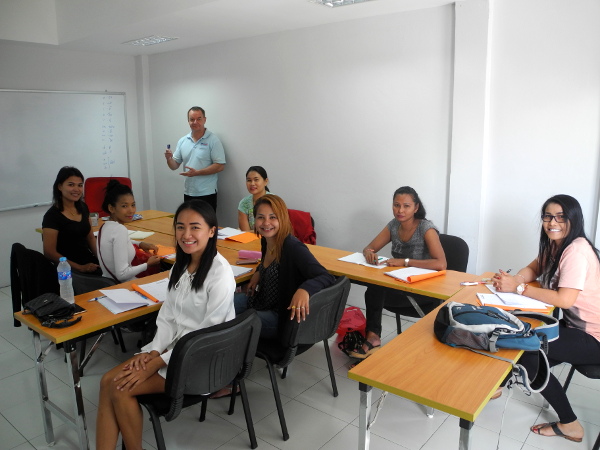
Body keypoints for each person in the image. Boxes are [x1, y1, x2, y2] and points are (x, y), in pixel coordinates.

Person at [96, 200, 236, 450]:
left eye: (195, 227)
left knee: (119, 387)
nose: (186, 234)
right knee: (107, 380)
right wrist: (153, 352)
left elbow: (205, 336)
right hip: (172, 351)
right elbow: (168, 317)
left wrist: (156, 363)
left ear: (211, 231)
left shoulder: (220, 273)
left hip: (200, 360)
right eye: (180, 227)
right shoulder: (180, 266)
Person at [493, 194, 600, 443]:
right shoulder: (557, 245)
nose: (553, 222)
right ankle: (498, 384)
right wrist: (516, 279)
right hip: (576, 327)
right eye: (548, 216)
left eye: (561, 217)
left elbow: (564, 300)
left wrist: (518, 289)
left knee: (529, 353)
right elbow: (533, 268)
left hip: (594, 337)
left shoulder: (576, 251)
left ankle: (570, 425)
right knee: (524, 349)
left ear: (574, 219)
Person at [352, 186, 446, 359]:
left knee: (375, 292)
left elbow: (441, 264)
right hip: (399, 282)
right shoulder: (394, 225)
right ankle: (372, 338)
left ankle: (372, 339)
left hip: (423, 288)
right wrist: (369, 253)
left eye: (406, 206)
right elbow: (369, 247)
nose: (400, 210)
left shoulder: (426, 228)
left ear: (416, 208)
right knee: (374, 288)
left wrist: (405, 262)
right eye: (396, 205)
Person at [234, 194, 335, 338]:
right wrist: (259, 271)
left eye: (273, 217)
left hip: (280, 316)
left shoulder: (293, 247)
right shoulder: (266, 240)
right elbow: (268, 263)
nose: (266, 223)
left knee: (232, 322)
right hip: (261, 301)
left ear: (282, 219)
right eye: (261, 217)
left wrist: (304, 290)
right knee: (221, 305)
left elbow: (326, 276)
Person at [97, 180, 161, 282]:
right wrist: (148, 265)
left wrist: (139, 244)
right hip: (125, 285)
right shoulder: (119, 230)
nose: (131, 210)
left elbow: (117, 242)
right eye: (124, 206)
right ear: (111, 208)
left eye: (133, 205)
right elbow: (122, 274)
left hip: (108, 283)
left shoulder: (105, 226)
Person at [164, 106, 226, 212]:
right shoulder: (183, 141)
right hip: (188, 192)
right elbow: (174, 166)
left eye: (199, 119)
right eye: (192, 119)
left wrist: (197, 173)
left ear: (204, 120)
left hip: (207, 193)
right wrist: (169, 158)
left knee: (206, 222)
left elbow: (220, 166)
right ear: (188, 121)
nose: (195, 122)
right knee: (189, 221)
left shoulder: (213, 140)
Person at [42, 166, 101, 275]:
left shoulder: (83, 207)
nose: (76, 189)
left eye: (80, 185)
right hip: (67, 269)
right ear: (60, 186)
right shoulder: (51, 216)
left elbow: (90, 238)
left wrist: (102, 260)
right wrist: (80, 268)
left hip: (88, 261)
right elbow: (49, 252)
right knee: (107, 282)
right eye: (71, 185)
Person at [238, 165, 272, 231]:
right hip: (250, 237)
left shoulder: (274, 201)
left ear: (266, 181)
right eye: (249, 180)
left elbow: (278, 229)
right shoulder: (244, 203)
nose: (252, 184)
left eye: (256, 180)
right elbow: (245, 232)